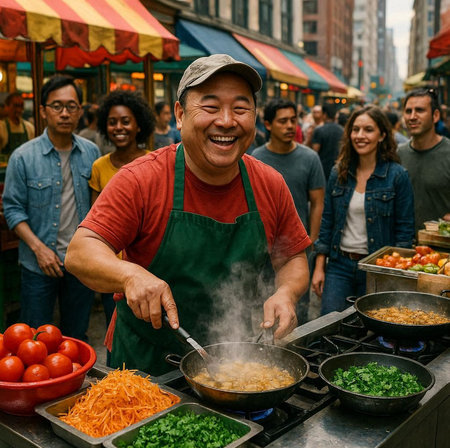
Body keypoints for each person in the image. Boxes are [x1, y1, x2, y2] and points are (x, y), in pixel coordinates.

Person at [65, 54, 311, 376]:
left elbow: (293, 257)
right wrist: (130, 275)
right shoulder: (141, 179)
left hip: (231, 358)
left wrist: (286, 293)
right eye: (210, 107)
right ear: (180, 115)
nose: (226, 121)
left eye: (240, 108)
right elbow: (80, 252)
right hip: (145, 363)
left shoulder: (270, 183)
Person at [2, 75, 100, 340]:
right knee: (34, 340)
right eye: (57, 106)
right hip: (37, 264)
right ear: (43, 111)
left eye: (71, 106)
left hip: (80, 263)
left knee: (77, 337)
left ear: (80, 110)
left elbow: (98, 206)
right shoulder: (23, 157)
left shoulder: (92, 153)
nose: (65, 113)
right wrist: (39, 249)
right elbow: (12, 209)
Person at [312, 106, 415, 315]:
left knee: (374, 333)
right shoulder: (339, 172)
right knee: (329, 328)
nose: (360, 136)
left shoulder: (397, 176)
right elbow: (327, 221)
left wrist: (396, 275)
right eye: (355, 129)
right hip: (339, 266)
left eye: (368, 130)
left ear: (382, 135)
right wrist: (319, 266)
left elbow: (404, 232)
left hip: (379, 268)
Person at [251, 98, 325, 323]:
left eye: (293, 120)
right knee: (263, 303)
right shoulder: (256, 158)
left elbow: (318, 202)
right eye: (283, 121)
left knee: (296, 307)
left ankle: (296, 352)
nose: (290, 126)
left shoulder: (310, 158)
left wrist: (311, 239)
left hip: (296, 250)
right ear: (268, 125)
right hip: (262, 249)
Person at [89, 89, 155, 326]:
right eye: (112, 122)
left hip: (149, 266)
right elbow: (94, 220)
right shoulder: (99, 167)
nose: (119, 127)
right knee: (115, 325)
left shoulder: (155, 163)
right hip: (112, 269)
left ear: (139, 126)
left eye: (126, 121)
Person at [398, 88, 450, 233]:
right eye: (408, 111)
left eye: (420, 110)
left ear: (435, 116)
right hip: (404, 249)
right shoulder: (397, 154)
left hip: (441, 249)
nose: (412, 117)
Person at [311, 103, 344, 181]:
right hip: (338, 168)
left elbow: (314, 151)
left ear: (324, 114)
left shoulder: (319, 130)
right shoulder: (342, 130)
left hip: (321, 169)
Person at [0, 92, 35, 160]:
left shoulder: (29, 128)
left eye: (21, 106)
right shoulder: (1, 127)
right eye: (15, 106)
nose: (19, 110)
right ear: (7, 107)